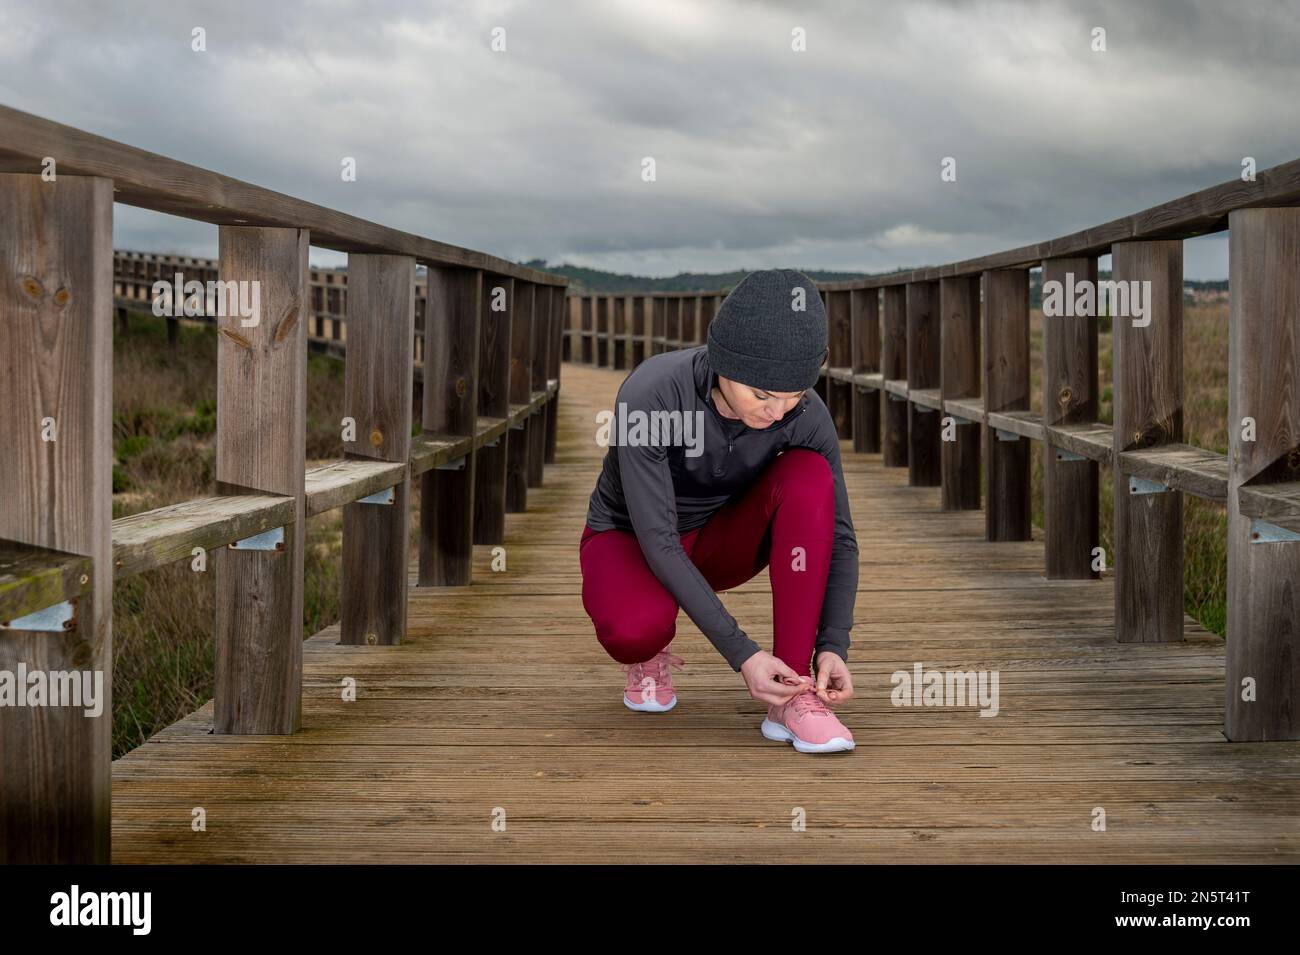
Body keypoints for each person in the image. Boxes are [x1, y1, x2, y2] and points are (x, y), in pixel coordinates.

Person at [579, 269, 859, 754]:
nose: (777, 412)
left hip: (722, 541)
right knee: (634, 630)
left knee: (810, 474)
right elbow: (658, 539)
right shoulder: (652, 395)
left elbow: (840, 535)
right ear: (722, 364)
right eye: (762, 395)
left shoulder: (804, 413)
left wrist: (833, 642)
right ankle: (648, 655)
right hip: (635, 539)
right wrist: (744, 655)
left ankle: (791, 696)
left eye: (793, 395)